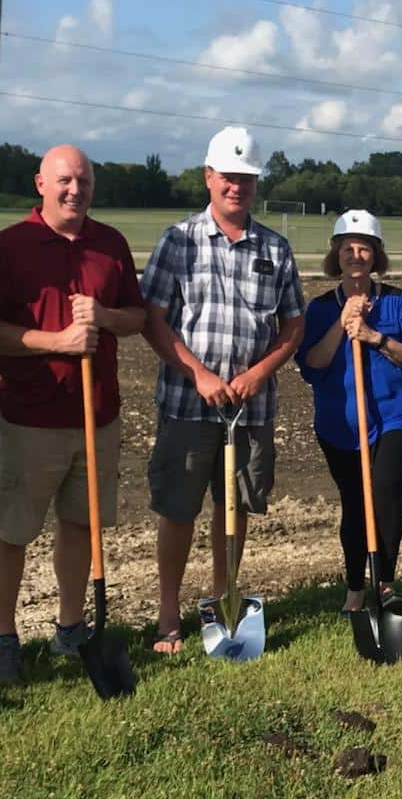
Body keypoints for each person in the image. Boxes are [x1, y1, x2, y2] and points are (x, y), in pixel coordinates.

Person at [0, 145, 146, 686]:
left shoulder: (110, 244)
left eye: (85, 182)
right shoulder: (10, 247)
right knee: (13, 531)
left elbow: (136, 316)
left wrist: (106, 316)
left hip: (98, 416)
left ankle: (71, 626)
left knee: (80, 526)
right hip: (31, 419)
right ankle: (4, 638)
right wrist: (57, 341)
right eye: (65, 181)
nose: (76, 191)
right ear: (41, 184)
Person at [140, 126, 305, 654]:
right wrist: (198, 374)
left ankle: (222, 603)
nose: (237, 186)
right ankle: (169, 615)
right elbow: (154, 319)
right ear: (209, 178)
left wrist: (258, 374)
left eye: (247, 179)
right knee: (179, 510)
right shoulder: (178, 241)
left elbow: (293, 327)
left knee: (232, 511)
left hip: (250, 410)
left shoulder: (275, 250)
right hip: (189, 405)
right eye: (228, 177)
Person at [295, 210, 402, 614]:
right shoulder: (318, 308)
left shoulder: (396, 301)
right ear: (337, 255)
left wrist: (372, 335)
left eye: (364, 248)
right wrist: (342, 323)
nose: (356, 255)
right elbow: (311, 365)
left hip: (392, 416)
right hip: (341, 423)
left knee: (385, 489)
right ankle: (355, 586)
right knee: (354, 501)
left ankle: (385, 582)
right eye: (348, 248)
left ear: (376, 256)